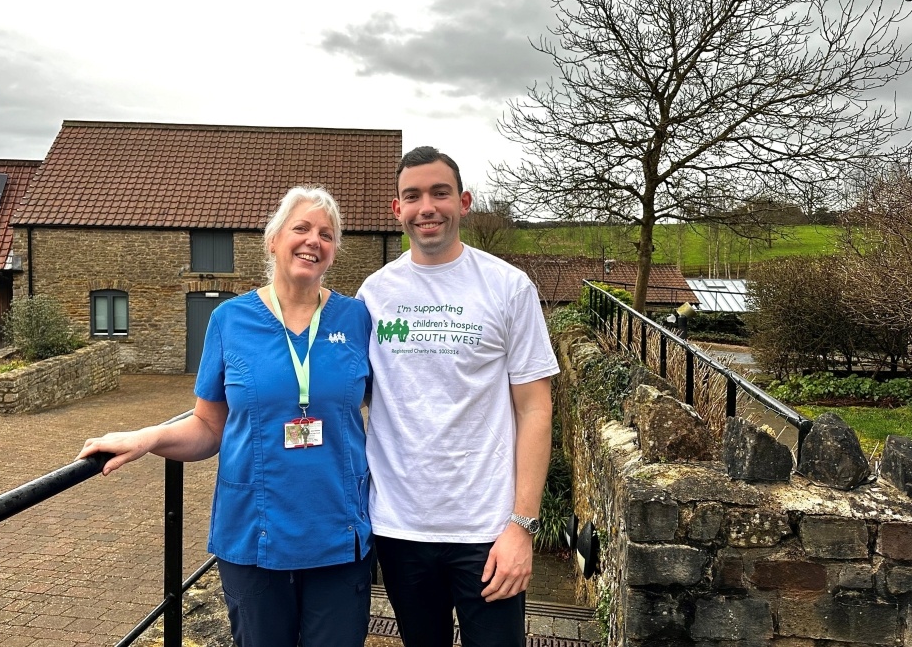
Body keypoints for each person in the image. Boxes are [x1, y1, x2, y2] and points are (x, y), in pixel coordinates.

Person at [77, 186, 374, 647]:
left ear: (334, 252)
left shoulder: (356, 319)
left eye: (326, 234)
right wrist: (148, 438)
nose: (313, 240)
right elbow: (208, 426)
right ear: (273, 240)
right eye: (301, 228)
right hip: (254, 532)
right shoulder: (229, 319)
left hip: (336, 531)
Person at [357, 146, 559, 647]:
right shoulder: (374, 294)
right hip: (401, 527)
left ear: (463, 202)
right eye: (413, 196)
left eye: (439, 193)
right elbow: (349, 394)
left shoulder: (508, 287)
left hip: (487, 529)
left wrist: (522, 527)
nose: (427, 206)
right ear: (396, 210)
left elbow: (535, 407)